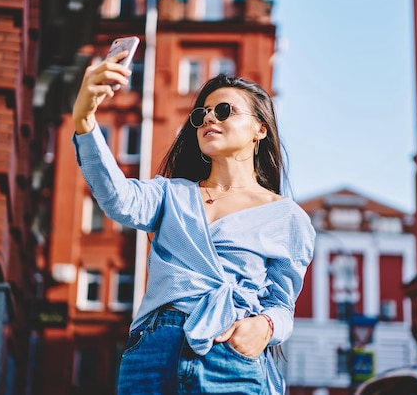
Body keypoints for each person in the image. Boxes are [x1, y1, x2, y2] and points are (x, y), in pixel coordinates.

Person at [71, 47, 315, 395]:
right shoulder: (171, 194)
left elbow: (281, 304)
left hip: (230, 352)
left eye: (224, 110)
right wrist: (85, 120)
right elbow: (118, 198)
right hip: (154, 352)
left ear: (260, 129)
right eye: (202, 114)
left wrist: (262, 326)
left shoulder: (287, 217)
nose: (209, 119)